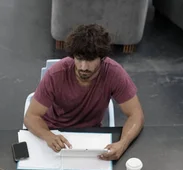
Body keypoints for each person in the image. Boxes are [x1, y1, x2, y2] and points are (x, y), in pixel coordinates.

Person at [24, 24, 144, 161]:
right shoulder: (56, 74)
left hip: (91, 134)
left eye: (91, 60)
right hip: (54, 131)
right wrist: (47, 135)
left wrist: (123, 144)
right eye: (79, 59)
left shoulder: (114, 73)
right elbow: (31, 116)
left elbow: (136, 114)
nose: (83, 67)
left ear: (102, 58)